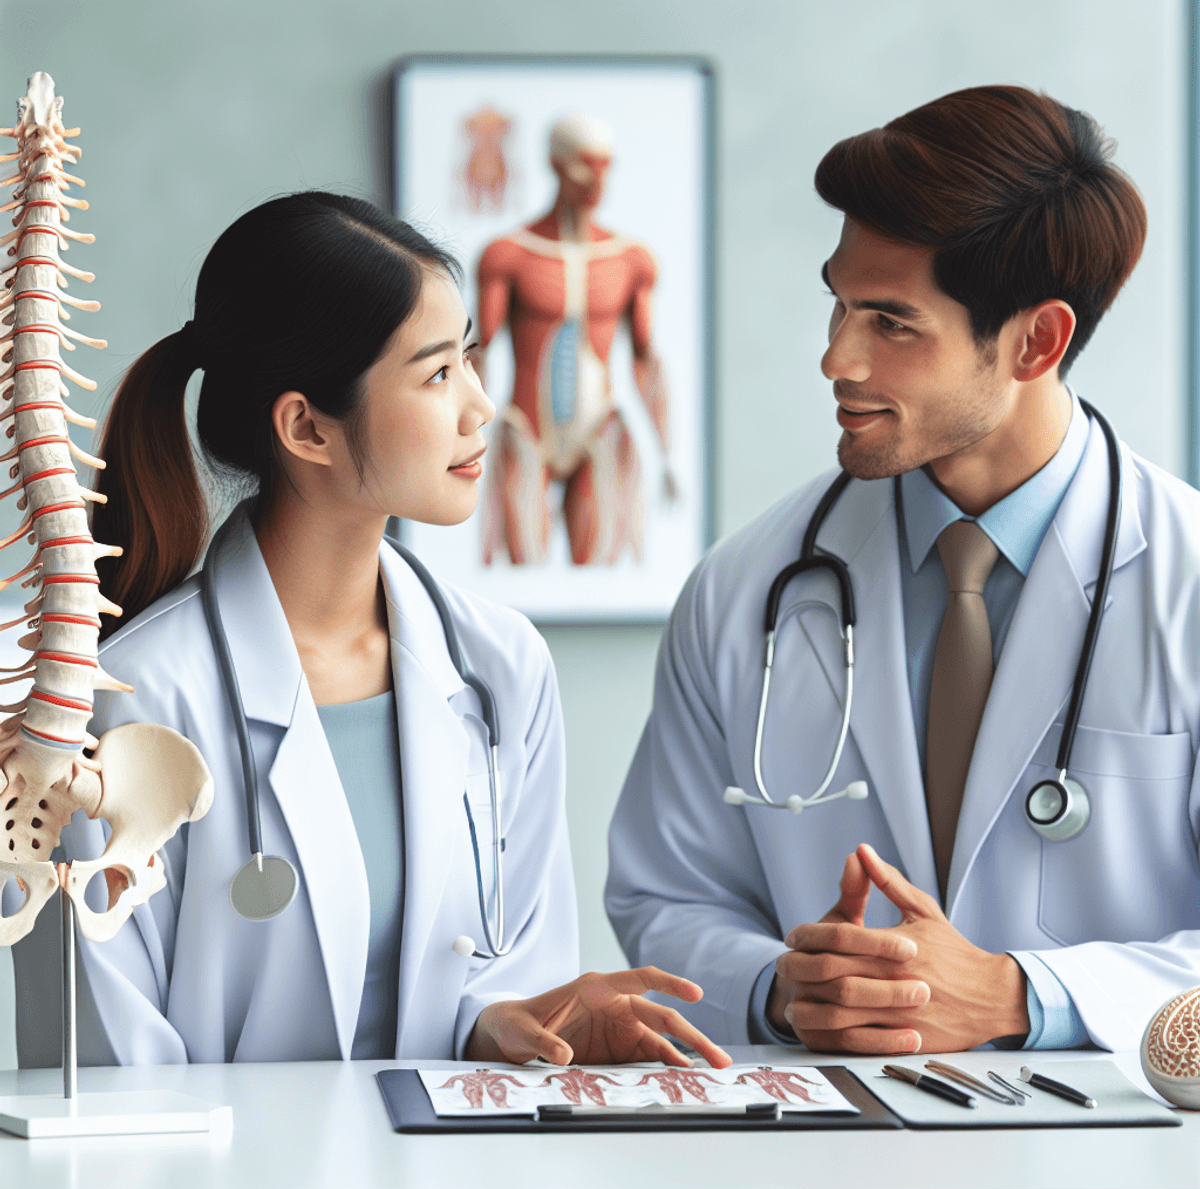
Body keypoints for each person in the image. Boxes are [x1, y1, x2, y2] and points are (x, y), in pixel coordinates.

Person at [13, 192, 729, 1070]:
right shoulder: (121, 707)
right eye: (436, 375)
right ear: (307, 427)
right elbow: (95, 1073)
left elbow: (511, 968)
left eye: (470, 358)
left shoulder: (502, 669)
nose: (481, 407)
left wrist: (499, 1024)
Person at [606, 85, 1200, 1055]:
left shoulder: (1188, 580)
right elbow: (666, 895)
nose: (836, 357)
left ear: (1035, 341)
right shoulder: (746, 588)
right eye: (837, 302)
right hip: (835, 1153)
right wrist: (782, 989)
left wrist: (1024, 997)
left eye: (890, 322)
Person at [476, 112, 673, 567]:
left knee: (596, 576)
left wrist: (667, 455)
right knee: (524, 577)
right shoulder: (509, 254)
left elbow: (645, 360)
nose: (597, 179)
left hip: (598, 431)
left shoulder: (630, 259)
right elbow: (477, 355)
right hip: (526, 431)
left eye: (606, 165)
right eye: (585, 165)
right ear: (556, 165)